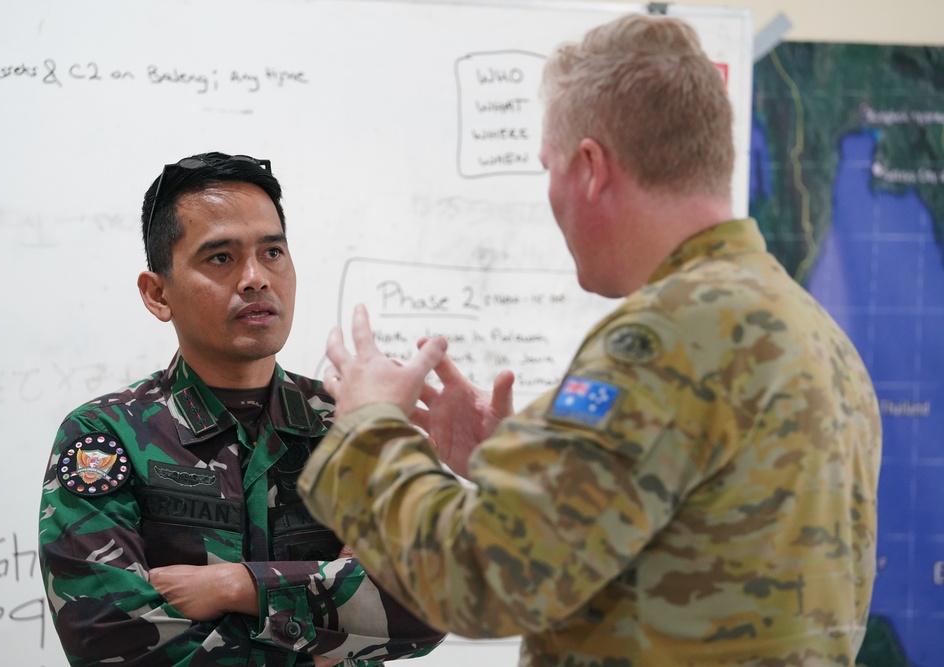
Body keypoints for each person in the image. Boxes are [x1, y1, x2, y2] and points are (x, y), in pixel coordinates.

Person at [297, 13, 883, 667]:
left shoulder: (667, 338)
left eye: (549, 166)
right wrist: (531, 465)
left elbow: (480, 582)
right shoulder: (813, 333)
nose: (552, 191)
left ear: (590, 166)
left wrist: (370, 428)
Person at [38, 152, 445, 667]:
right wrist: (328, 626)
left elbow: (428, 608)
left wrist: (240, 585)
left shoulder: (348, 422)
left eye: (272, 252)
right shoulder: (106, 435)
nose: (256, 278)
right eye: (221, 258)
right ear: (158, 293)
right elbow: (110, 639)